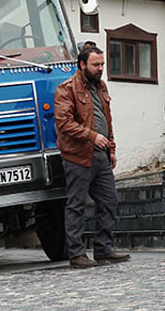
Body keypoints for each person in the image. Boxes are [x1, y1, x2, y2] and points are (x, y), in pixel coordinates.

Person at [54, 46, 130, 268]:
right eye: (95, 64)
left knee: (109, 200)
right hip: (78, 156)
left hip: (101, 155)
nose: (100, 68)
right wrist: (92, 136)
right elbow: (64, 123)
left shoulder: (101, 86)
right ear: (82, 65)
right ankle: (77, 254)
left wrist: (112, 148)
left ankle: (103, 249)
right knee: (76, 205)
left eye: (102, 64)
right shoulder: (66, 89)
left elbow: (107, 119)